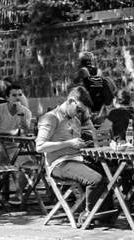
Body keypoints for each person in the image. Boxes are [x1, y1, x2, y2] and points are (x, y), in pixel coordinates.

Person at [35, 87, 109, 226]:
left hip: (76, 160)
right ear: (70, 101)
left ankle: (105, 217)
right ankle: (87, 215)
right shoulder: (51, 117)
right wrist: (68, 143)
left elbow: (73, 144)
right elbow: (39, 147)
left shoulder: (76, 121)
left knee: (111, 174)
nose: (80, 113)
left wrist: (81, 144)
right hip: (58, 164)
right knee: (96, 180)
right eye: (79, 109)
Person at [0, 82, 36, 202]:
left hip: (15, 146)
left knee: (29, 166)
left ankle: (18, 192)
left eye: (20, 95)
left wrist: (21, 116)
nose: (17, 97)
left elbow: (26, 131)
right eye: (14, 95)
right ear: (7, 98)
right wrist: (13, 132)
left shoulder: (26, 112)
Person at [76, 52, 115, 124]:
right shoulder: (98, 70)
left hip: (90, 96)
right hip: (101, 97)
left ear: (82, 61)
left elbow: (77, 81)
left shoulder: (83, 70)